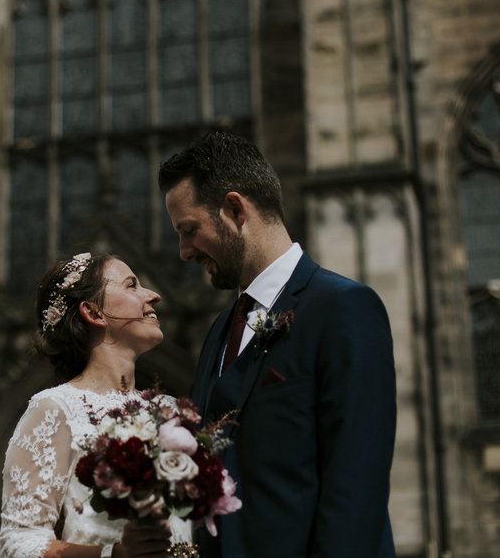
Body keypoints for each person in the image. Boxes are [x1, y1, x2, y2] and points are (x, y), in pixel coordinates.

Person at [158, 132, 397, 558]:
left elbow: (357, 485)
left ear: (235, 209)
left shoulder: (343, 308)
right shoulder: (217, 332)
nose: (183, 251)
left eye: (189, 230)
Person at [0, 253, 192, 558]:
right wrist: (113, 554)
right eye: (132, 286)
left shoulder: (171, 411)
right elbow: (17, 543)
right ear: (94, 312)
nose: (154, 295)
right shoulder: (56, 408)